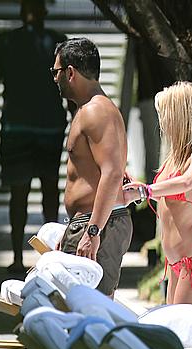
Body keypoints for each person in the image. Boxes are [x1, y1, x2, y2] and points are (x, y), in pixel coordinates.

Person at [0, 0, 71, 274]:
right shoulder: (59, 43)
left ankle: (18, 258)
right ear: (45, 13)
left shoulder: (7, 42)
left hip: (16, 128)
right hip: (50, 128)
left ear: (22, 13)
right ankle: (50, 257)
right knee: (49, 190)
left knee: (18, 193)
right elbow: (70, 84)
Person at [123, 81, 192, 305]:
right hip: (176, 261)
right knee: (172, 329)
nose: (162, 123)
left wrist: (146, 190)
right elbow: (169, 197)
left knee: (184, 334)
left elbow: (186, 183)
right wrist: (137, 188)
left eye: (166, 115)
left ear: (182, 117)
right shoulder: (174, 157)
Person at [52, 37, 133, 297]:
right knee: (77, 309)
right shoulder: (94, 110)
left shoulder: (96, 112)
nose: (55, 79)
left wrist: (92, 231)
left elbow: (112, 173)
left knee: (87, 311)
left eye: (56, 72)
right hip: (91, 222)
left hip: (99, 225)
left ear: (71, 72)